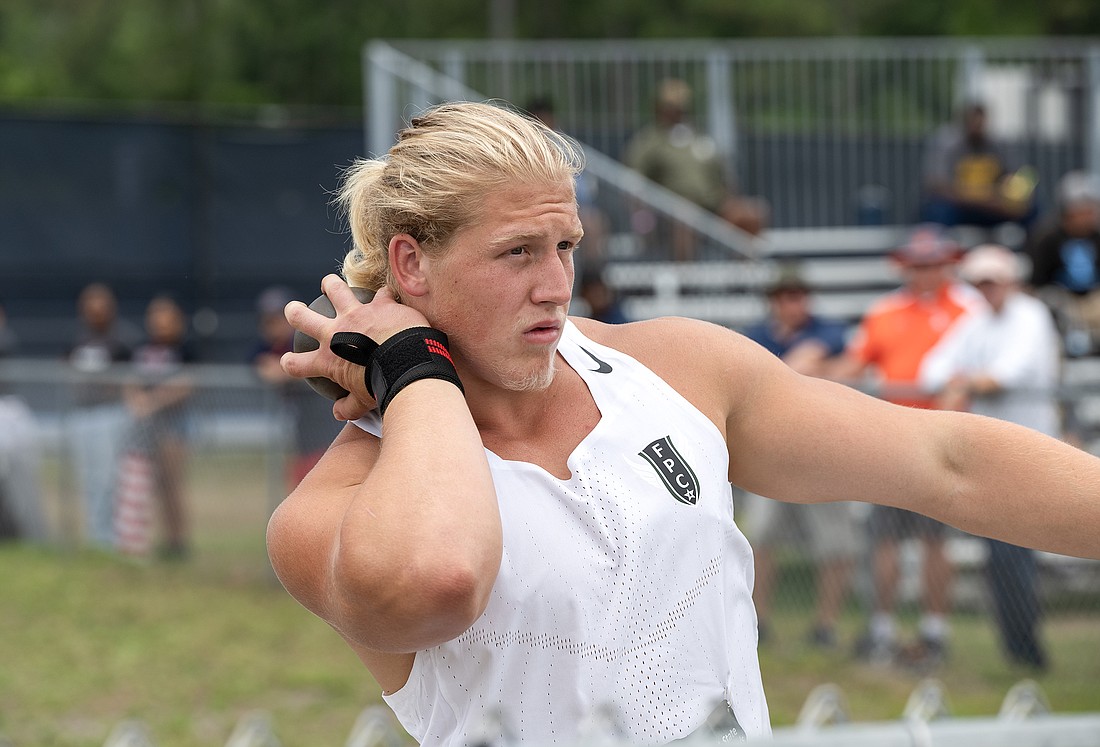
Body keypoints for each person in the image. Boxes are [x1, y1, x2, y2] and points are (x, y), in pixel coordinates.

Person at [266, 101, 1100, 745]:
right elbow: (438, 578)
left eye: (567, 245)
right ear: (410, 263)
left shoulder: (675, 368)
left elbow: (948, 460)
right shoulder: (336, 501)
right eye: (518, 251)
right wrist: (415, 370)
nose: (557, 284)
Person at [830, 223, 983, 669]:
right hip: (893, 437)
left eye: (933, 264)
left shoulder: (969, 310)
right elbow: (855, 363)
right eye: (919, 265)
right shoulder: (886, 311)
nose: (926, 272)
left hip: (945, 437)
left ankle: (934, 630)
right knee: (886, 539)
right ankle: (882, 628)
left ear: (947, 264)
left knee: (936, 539)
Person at [920, 244, 1061, 671]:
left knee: (1014, 554)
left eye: (993, 282)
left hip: (1033, 452)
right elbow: (932, 368)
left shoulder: (1030, 316)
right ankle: (1021, 650)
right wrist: (969, 381)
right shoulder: (977, 322)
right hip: (997, 453)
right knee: (1003, 555)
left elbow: (1010, 373)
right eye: (980, 283)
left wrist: (965, 383)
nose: (986, 290)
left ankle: (1027, 651)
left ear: (1010, 282)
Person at [740, 265, 859, 649]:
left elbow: (845, 369)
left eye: (800, 296)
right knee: (759, 539)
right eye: (787, 297)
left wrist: (787, 371)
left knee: (836, 543)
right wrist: (802, 369)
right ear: (774, 302)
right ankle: (758, 622)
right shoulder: (756, 335)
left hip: (822, 451)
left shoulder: (829, 329)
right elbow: (750, 379)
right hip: (771, 452)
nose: (795, 305)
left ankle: (825, 624)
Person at [624, 78, 768, 261]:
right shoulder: (649, 141)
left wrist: (730, 198)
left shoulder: (698, 137)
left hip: (713, 207)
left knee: (752, 213)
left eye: (679, 106)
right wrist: (643, 216)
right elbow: (633, 181)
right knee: (686, 216)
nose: (676, 111)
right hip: (671, 211)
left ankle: (743, 278)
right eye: (670, 106)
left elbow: (724, 176)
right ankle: (686, 283)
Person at [118, 295, 197, 559]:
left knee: (171, 485)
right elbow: (129, 379)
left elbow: (186, 384)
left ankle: (176, 541)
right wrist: (136, 399)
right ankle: (142, 540)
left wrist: (153, 400)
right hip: (145, 427)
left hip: (173, 428)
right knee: (145, 485)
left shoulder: (185, 350)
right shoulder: (141, 349)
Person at [66, 282, 140, 548]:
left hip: (111, 413)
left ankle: (113, 535)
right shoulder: (78, 337)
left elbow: (132, 375)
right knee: (88, 476)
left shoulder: (122, 338)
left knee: (109, 476)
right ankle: (95, 534)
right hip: (82, 414)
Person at [251, 286, 343, 489]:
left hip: (325, 429)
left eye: (278, 320)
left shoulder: (309, 340)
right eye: (268, 321)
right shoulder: (267, 347)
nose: (273, 327)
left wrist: (284, 372)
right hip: (302, 435)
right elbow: (259, 363)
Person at [920, 100, 1037, 232]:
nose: (976, 127)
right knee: (937, 210)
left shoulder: (999, 145)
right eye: (972, 122)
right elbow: (937, 186)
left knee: (1031, 208)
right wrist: (982, 200)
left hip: (994, 208)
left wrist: (1013, 198)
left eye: (980, 122)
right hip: (961, 207)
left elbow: (1018, 177)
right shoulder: (947, 145)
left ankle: (1029, 249)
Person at [1027, 170, 1100, 357]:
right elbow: (1037, 282)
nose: (1086, 217)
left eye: (1089, 211)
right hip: (1061, 299)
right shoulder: (1046, 238)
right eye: (1080, 212)